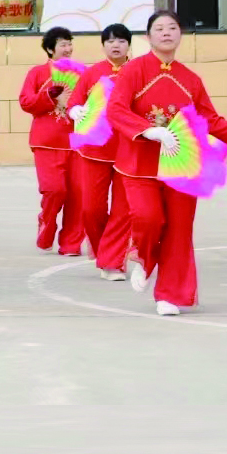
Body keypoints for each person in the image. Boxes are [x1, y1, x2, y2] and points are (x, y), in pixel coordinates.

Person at [108, 10, 227, 315]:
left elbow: (211, 120)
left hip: (181, 164)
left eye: (172, 27)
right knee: (148, 218)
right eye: (159, 28)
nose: (166, 33)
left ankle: (170, 294)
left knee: (179, 230)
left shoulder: (190, 79)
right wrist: (147, 130)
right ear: (148, 37)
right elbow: (115, 109)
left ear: (181, 34)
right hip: (139, 163)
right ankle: (143, 257)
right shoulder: (134, 71)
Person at [66, 23, 133, 279]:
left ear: (129, 45)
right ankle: (103, 248)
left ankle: (112, 262)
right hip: (95, 151)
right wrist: (75, 110)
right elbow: (75, 101)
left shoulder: (137, 72)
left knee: (122, 212)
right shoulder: (92, 73)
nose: (116, 45)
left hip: (129, 151)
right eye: (111, 41)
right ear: (103, 45)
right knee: (91, 209)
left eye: (121, 41)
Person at [19, 26, 83, 255]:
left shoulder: (81, 73)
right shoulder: (37, 73)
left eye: (69, 43)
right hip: (46, 142)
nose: (68, 48)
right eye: (62, 44)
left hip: (76, 144)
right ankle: (46, 223)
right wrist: (50, 95)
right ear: (50, 49)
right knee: (55, 190)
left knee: (78, 195)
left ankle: (71, 243)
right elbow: (26, 102)